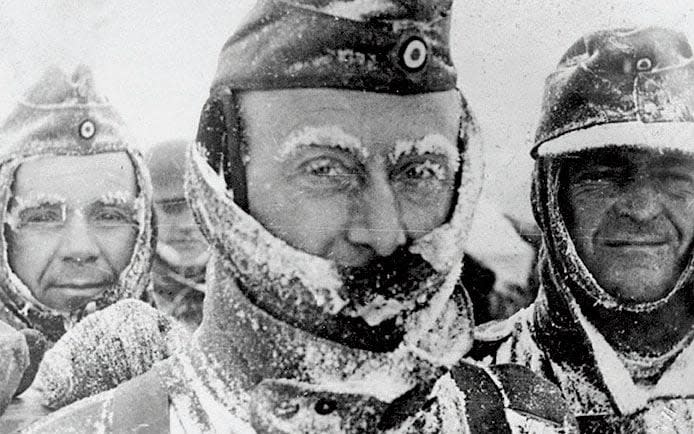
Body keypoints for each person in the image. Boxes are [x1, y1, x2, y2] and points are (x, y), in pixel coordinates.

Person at [26, 1, 575, 432]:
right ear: (225, 183)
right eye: (325, 169)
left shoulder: (523, 422)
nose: (384, 234)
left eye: (419, 172)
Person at [473, 26, 694, 432]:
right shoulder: (465, 392)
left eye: (674, 176)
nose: (642, 209)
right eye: (604, 175)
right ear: (551, 199)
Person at [0, 65, 185, 431]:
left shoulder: (205, 366)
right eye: (42, 217)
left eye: (109, 215)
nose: (80, 248)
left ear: (144, 231)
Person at [146, 139, 207, 331]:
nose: (188, 225)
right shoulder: (128, 298)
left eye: (200, 207)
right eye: (172, 208)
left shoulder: (246, 293)